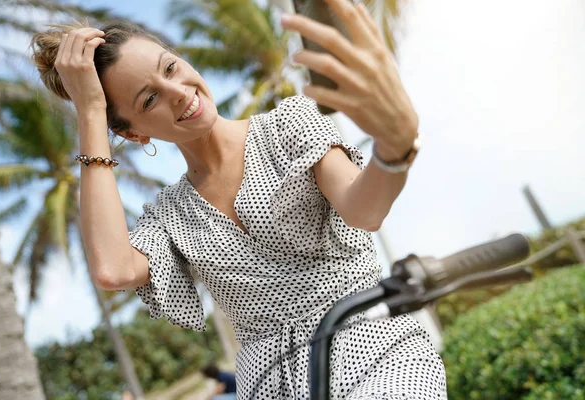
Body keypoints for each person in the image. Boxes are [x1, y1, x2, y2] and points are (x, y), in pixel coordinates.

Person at [30, 0, 446, 398]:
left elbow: (363, 210)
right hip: (267, 384)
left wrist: (394, 151)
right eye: (149, 98)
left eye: (170, 67)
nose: (176, 90)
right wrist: (89, 113)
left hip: (376, 349)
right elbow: (113, 269)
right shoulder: (170, 215)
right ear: (133, 133)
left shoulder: (289, 124)